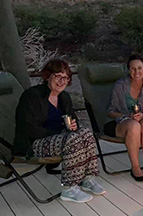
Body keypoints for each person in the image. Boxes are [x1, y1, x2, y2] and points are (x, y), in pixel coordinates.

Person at [13, 59, 105, 203]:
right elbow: (28, 128)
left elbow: (73, 122)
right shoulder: (32, 96)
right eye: (58, 76)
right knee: (72, 139)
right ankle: (69, 189)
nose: (62, 81)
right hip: (34, 143)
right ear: (48, 76)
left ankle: (87, 179)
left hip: (59, 140)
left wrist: (73, 127)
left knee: (86, 133)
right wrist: (61, 135)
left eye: (66, 78)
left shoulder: (64, 97)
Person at [106, 53, 143, 182]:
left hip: (142, 119)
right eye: (133, 68)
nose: (136, 72)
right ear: (129, 70)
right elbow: (111, 111)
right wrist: (127, 116)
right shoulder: (120, 86)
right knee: (134, 125)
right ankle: (135, 167)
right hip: (121, 122)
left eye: (139, 68)